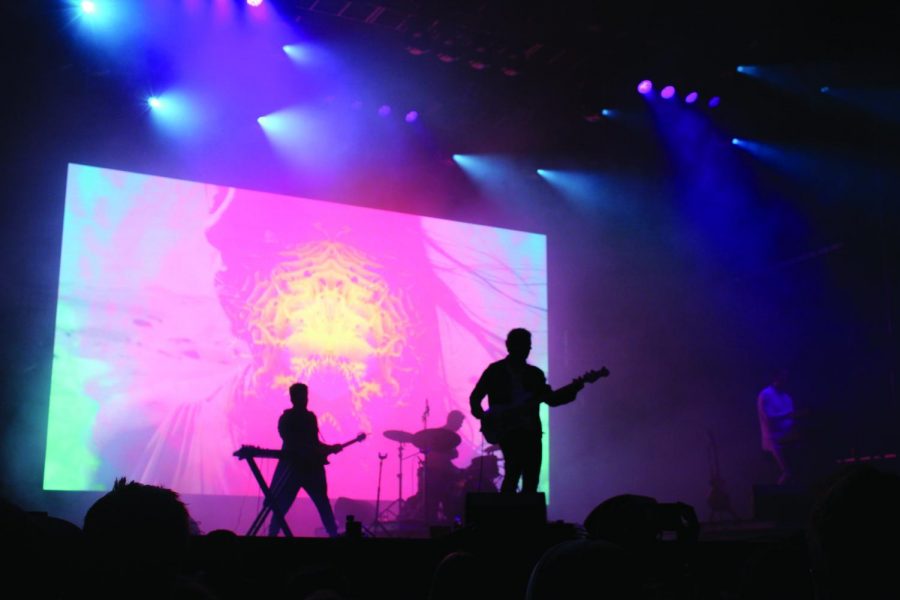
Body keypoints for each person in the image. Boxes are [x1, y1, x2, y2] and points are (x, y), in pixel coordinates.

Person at [469, 328, 587, 494]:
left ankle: (524, 517)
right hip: (509, 433)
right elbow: (475, 398)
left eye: (528, 346)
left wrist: (575, 389)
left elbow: (552, 399)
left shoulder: (535, 375)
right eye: (524, 346)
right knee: (513, 473)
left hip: (531, 432)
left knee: (531, 478)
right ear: (511, 346)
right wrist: (486, 418)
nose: (527, 350)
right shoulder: (495, 371)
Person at [267, 383, 340, 537]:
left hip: (309, 468)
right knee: (284, 505)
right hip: (293, 469)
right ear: (293, 398)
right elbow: (293, 442)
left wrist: (329, 448)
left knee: (322, 504)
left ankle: (333, 534)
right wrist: (320, 450)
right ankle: (272, 534)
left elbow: (314, 443)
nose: (305, 399)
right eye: (302, 396)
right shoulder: (287, 419)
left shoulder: (309, 418)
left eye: (306, 396)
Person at [757, 369, 800, 485]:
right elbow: (768, 419)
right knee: (787, 472)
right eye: (783, 377)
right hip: (773, 441)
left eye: (787, 377)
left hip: (788, 439)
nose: (785, 380)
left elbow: (791, 419)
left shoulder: (787, 397)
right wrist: (789, 415)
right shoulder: (765, 394)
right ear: (776, 377)